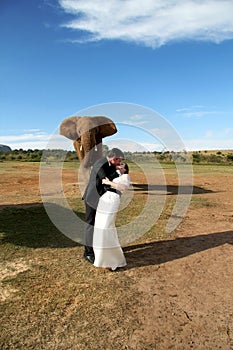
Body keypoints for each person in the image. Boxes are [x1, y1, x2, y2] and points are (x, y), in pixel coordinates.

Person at [82, 148, 124, 264]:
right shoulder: (100, 164)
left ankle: (98, 248)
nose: (120, 163)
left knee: (101, 224)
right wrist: (119, 172)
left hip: (102, 200)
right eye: (119, 161)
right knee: (90, 225)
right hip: (92, 199)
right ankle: (88, 253)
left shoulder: (109, 164)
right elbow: (106, 179)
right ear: (114, 158)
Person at [93, 163, 130, 271]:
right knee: (100, 225)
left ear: (125, 169)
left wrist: (109, 182)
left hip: (113, 198)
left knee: (106, 226)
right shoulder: (115, 174)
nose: (119, 165)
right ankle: (102, 257)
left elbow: (124, 188)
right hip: (105, 198)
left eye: (122, 165)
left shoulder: (125, 176)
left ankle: (113, 259)